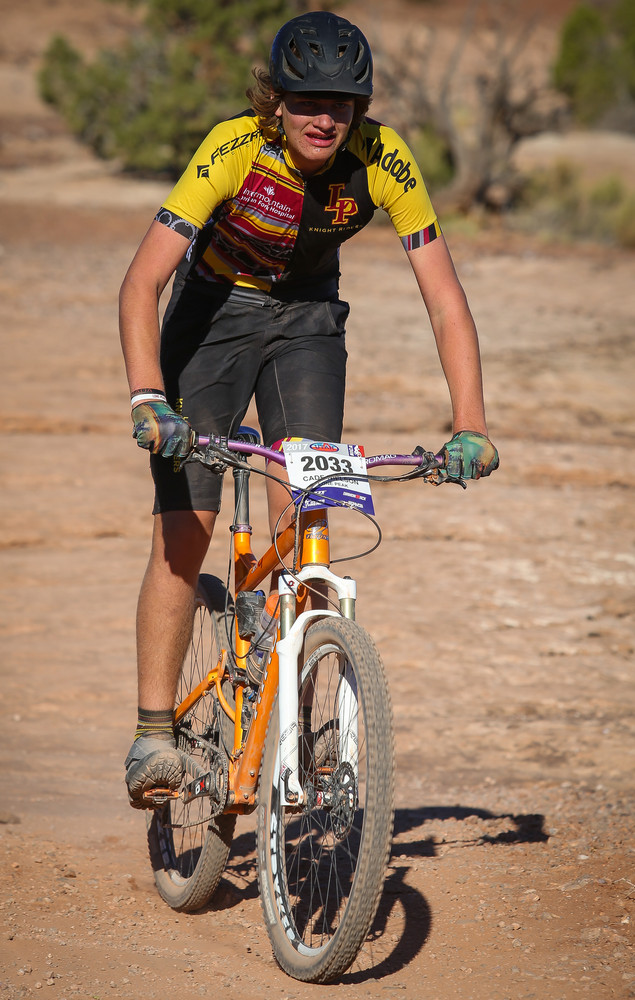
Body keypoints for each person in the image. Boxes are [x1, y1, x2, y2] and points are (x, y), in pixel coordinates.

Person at [119, 10, 499, 808]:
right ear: (277, 100)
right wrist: (150, 397)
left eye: (342, 104)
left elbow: (443, 298)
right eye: (307, 101)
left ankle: (298, 716)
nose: (325, 118)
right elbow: (142, 281)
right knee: (186, 529)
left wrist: (470, 424)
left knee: (310, 516)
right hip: (210, 318)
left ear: (360, 107)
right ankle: (154, 732)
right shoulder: (233, 146)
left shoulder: (383, 158)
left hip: (308, 324)